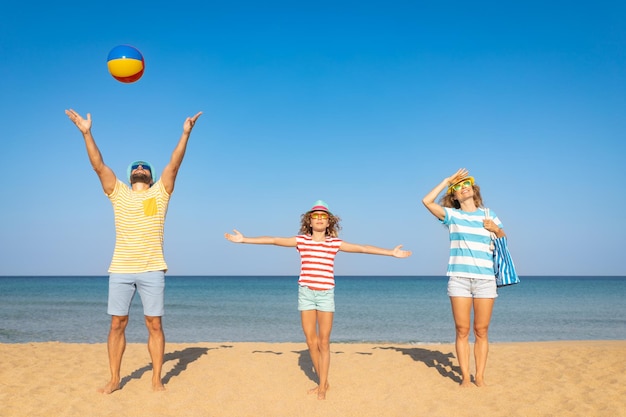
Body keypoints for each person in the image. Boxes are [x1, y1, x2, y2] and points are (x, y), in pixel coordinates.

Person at [65, 108, 202, 393]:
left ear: (150, 178)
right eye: (136, 168)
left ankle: (156, 378)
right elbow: (98, 165)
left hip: (152, 267)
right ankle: (115, 379)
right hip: (121, 268)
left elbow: (174, 165)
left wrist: (185, 133)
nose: (140, 169)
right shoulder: (119, 193)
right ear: (130, 177)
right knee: (117, 324)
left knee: (154, 324)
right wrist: (87, 133)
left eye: (145, 168)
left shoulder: (160, 194)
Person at [224, 200, 412, 400]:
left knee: (324, 342)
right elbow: (274, 240)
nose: (320, 219)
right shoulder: (301, 241)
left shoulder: (334, 243)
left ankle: (322, 386)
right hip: (306, 292)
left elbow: (362, 248)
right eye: (316, 216)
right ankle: (324, 381)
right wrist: (244, 240)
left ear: (329, 221)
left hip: (325, 295)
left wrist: (391, 253)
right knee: (310, 342)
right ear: (310, 221)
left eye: (324, 216)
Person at [422, 168, 506, 387]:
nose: (463, 187)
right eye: (457, 187)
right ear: (455, 197)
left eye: (466, 184)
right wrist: (446, 180)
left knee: (482, 330)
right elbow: (427, 201)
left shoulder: (489, 214)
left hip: (486, 279)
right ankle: (466, 377)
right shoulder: (453, 216)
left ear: (473, 189)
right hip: (459, 278)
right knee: (462, 330)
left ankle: (480, 376)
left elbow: (503, 239)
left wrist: (496, 228)